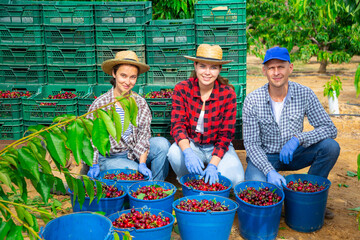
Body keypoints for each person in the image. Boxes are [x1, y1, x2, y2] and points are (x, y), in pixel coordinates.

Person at [243, 46, 340, 218]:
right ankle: (280, 198)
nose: (276, 72)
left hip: (295, 153)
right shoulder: (253, 100)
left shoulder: (304, 94)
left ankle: (310, 198)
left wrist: (298, 139)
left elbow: (329, 128)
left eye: (281, 67)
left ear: (290, 68)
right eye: (271, 68)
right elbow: (251, 145)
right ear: (264, 71)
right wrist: (268, 170)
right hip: (265, 156)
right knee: (255, 190)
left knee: (330, 147)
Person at [83, 50, 170, 180]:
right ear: (114, 74)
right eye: (123, 75)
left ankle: (156, 185)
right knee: (133, 171)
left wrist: (142, 163)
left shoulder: (139, 102)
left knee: (162, 144)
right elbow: (91, 138)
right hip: (108, 157)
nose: (127, 82)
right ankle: (142, 187)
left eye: (132, 77)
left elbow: (144, 135)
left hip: (132, 153)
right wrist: (94, 164)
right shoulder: (101, 104)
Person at [167, 44, 245, 187]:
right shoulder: (182, 89)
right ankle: (189, 182)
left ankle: (208, 175)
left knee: (237, 178)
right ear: (195, 66)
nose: (207, 72)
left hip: (216, 146)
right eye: (202, 66)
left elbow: (226, 135)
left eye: (213, 67)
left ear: (219, 70)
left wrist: (213, 165)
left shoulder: (228, 94)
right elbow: (178, 125)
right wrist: (188, 152)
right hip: (192, 144)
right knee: (174, 153)